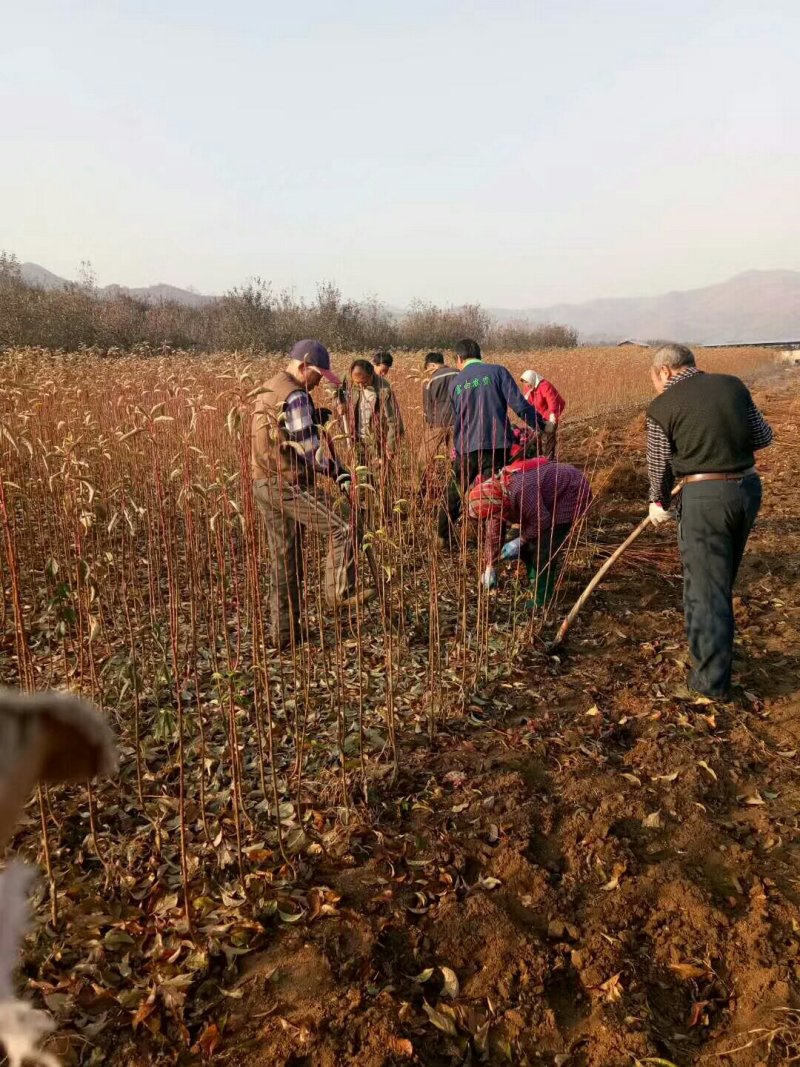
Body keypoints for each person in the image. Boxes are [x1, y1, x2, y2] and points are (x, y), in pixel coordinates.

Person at [645, 343, 772, 700]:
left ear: (666, 371)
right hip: (747, 490)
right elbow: (763, 436)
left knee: (706, 590)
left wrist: (656, 501)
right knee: (719, 579)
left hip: (705, 500)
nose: (655, 385)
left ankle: (710, 684)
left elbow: (659, 467)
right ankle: (715, 652)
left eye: (654, 378)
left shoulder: (662, 406)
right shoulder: (732, 385)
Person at [251, 339, 375, 650]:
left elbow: (283, 432)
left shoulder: (271, 386)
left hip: (264, 482)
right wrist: (340, 471)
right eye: (317, 376)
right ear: (304, 367)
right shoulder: (295, 395)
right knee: (344, 524)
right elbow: (312, 454)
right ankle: (338, 593)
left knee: (284, 559)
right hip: (288, 483)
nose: (319, 383)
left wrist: (312, 419)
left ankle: (284, 633)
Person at [438, 339, 544, 546]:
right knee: (493, 494)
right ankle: (491, 541)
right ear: (480, 355)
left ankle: (443, 536)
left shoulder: (456, 382)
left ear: (459, 359)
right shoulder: (498, 372)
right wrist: (540, 424)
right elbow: (519, 405)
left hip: (466, 447)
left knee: (454, 491)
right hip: (495, 445)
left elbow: (455, 416)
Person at [469, 460, 592, 599]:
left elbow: (542, 520)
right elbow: (494, 532)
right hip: (542, 502)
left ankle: (542, 597)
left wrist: (520, 540)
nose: (494, 517)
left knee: (544, 547)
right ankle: (535, 580)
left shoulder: (519, 489)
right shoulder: (495, 496)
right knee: (526, 547)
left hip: (570, 491)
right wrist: (489, 565)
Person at [339, 358, 404, 462]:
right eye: (357, 383)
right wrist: (341, 402)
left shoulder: (384, 389)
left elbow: (394, 421)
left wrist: (391, 446)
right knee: (361, 474)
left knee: (380, 475)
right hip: (356, 439)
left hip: (376, 442)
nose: (360, 386)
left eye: (363, 382)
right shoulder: (351, 379)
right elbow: (334, 384)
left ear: (371, 375)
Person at [419, 352, 458, 482]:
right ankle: (459, 486)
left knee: (424, 458)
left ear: (432, 365)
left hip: (437, 423)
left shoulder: (430, 380)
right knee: (457, 458)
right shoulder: (459, 374)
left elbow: (428, 407)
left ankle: (420, 487)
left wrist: (429, 423)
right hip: (458, 423)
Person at [520, 369, 566, 460]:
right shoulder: (527, 387)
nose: (526, 384)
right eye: (524, 382)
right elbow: (527, 402)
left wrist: (552, 417)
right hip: (538, 412)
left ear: (532, 380)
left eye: (527, 382)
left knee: (550, 434)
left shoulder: (545, 386)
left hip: (551, 411)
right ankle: (539, 457)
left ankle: (549, 458)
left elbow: (552, 402)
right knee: (536, 434)